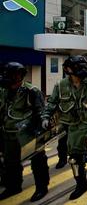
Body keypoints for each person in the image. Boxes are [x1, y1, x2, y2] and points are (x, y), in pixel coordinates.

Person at [42, 56, 87, 200]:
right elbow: (51, 103)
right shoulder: (61, 85)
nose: (82, 70)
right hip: (74, 126)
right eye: (78, 67)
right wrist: (45, 117)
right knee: (75, 159)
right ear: (68, 70)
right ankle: (81, 185)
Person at [0, 62, 49, 201]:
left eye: (9, 75)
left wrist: (41, 131)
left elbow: (41, 112)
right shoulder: (4, 90)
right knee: (11, 162)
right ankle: (13, 187)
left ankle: (41, 187)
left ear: (18, 76)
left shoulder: (31, 91)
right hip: (9, 133)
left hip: (28, 133)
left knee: (38, 161)